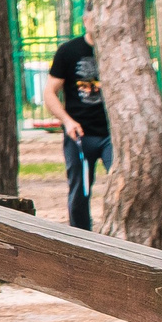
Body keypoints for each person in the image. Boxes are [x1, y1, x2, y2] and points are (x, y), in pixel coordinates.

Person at [45, 33, 111, 230]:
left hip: (112, 135)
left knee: (124, 180)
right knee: (80, 191)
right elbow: (49, 93)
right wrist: (67, 121)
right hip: (79, 134)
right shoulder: (68, 51)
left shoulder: (116, 47)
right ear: (86, 20)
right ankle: (82, 239)